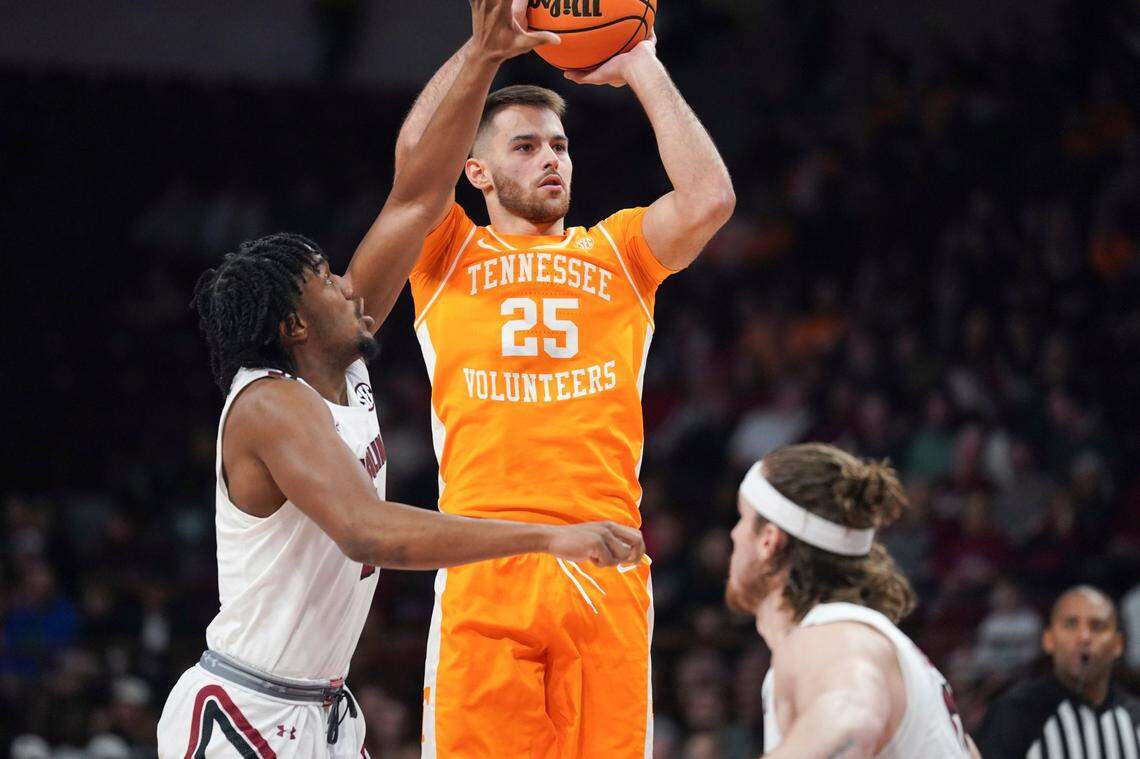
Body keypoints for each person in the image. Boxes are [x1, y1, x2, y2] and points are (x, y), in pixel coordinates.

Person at [155, 3, 644, 756]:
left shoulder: (340, 358)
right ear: (293, 325)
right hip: (246, 705)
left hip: (322, 705)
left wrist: (483, 57)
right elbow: (369, 532)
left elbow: (418, 195)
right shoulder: (270, 403)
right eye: (326, 280)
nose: (350, 286)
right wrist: (549, 534)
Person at [353, 19, 736, 757]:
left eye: (558, 145)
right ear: (478, 172)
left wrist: (643, 64)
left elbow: (710, 199)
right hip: (483, 561)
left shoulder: (619, 249)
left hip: (605, 560)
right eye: (524, 147)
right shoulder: (447, 249)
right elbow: (411, 165)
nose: (550, 159)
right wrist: (481, 50)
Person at [725, 443, 980, 758]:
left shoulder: (831, 639)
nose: (734, 535)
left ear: (769, 541)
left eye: (741, 518)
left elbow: (853, 718)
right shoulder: (867, 642)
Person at [975, 585, 1140, 759]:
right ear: (1048, 640)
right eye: (1070, 625)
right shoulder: (1014, 714)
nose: (1084, 637)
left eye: (1097, 626)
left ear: (1118, 644)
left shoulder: (1135, 719)